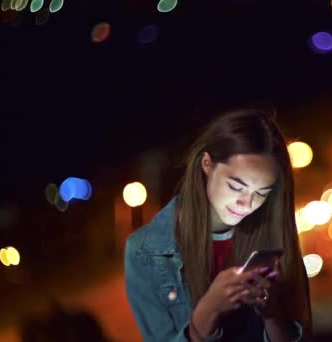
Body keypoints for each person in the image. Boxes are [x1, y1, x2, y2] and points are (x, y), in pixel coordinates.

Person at [124, 108, 312, 341]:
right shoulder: (145, 252)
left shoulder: (273, 237)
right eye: (236, 187)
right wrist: (208, 311)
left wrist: (273, 315)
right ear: (206, 164)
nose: (246, 204)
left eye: (261, 193)